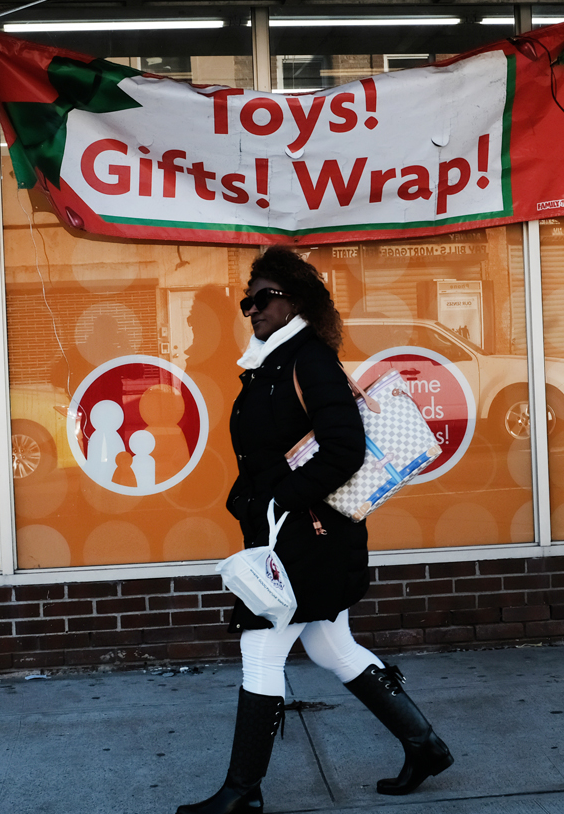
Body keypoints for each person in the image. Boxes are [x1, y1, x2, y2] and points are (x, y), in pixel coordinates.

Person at [178, 247, 453, 813]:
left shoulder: (309, 361)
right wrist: (253, 496)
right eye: (246, 301)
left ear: (295, 302)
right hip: (294, 531)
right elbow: (268, 453)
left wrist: (282, 495)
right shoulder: (270, 364)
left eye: (264, 298)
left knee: (260, 647)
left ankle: (241, 792)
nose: (251, 308)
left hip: (311, 536)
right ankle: (424, 745)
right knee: (332, 644)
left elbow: (346, 449)